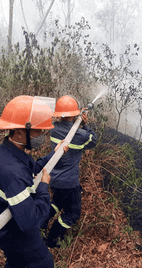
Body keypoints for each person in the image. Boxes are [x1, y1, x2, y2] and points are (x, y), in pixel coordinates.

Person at [0, 95, 68, 268]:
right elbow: (31, 221)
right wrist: (44, 186)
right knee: (43, 264)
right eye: (38, 131)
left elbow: (33, 167)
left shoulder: (6, 151)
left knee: (17, 263)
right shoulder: (12, 172)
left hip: (11, 223)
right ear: (21, 131)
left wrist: (55, 154)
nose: (41, 136)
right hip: (12, 232)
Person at [43, 95, 98, 248]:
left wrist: (76, 120)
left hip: (53, 179)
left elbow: (67, 127)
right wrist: (85, 125)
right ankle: (53, 238)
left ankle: (41, 224)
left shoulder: (54, 128)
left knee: (57, 202)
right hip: (69, 183)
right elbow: (93, 140)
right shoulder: (80, 135)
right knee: (73, 213)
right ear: (74, 114)